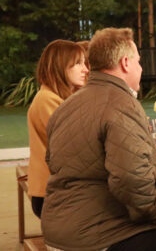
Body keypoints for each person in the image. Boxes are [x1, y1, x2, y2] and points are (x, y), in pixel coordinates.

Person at [42, 28, 156, 251]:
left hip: (58, 228)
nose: (141, 68)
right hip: (98, 235)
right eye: (138, 62)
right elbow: (132, 182)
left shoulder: (67, 105)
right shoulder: (121, 104)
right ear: (125, 63)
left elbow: (52, 163)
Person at [27, 39, 88, 218]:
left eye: (84, 63)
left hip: (62, 190)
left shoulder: (62, 98)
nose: (86, 69)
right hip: (53, 196)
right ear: (60, 66)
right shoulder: (47, 100)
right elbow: (80, 143)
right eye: (78, 64)